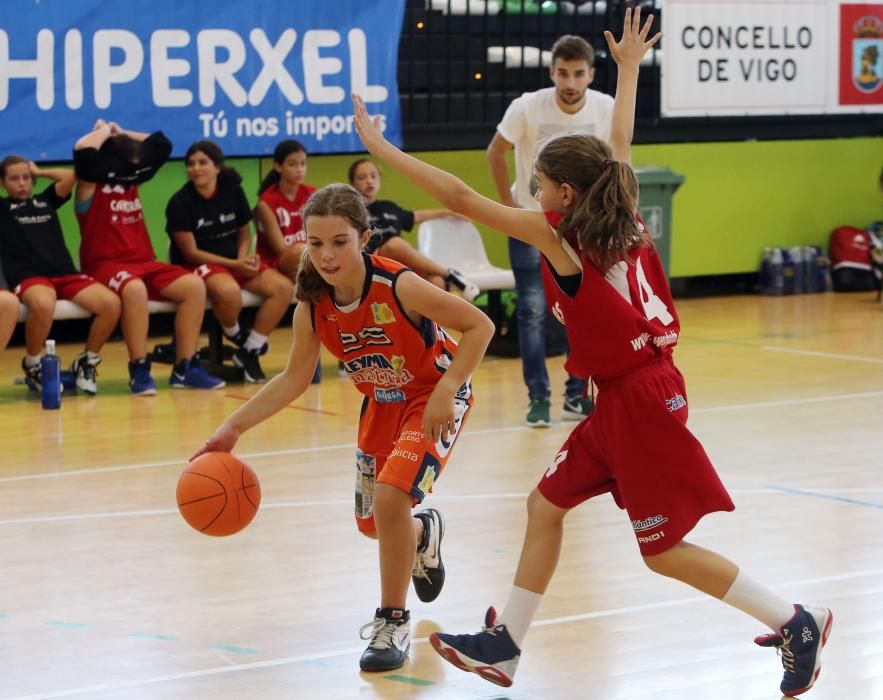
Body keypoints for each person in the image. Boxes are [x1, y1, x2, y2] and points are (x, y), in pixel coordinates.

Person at [352, 8, 832, 698]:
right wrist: (628, 69)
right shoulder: (621, 202)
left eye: (539, 186)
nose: (531, 193)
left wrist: (381, 147)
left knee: (660, 552)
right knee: (543, 505)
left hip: (638, 398)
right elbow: (619, 139)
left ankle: (794, 620)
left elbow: (458, 195)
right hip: (626, 392)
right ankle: (506, 645)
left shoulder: (562, 235)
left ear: (564, 195)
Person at [193, 183, 495, 673]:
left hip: (432, 397)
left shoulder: (400, 286)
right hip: (382, 404)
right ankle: (423, 534)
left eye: (339, 242)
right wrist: (233, 427)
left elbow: (479, 326)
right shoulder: (312, 307)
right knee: (374, 524)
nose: (326, 255)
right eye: (315, 244)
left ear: (365, 239)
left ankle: (391, 622)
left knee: (391, 498)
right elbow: (293, 379)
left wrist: (447, 387)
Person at [488, 33, 615, 427]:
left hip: (580, 226)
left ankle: (576, 396)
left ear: (591, 74)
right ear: (552, 73)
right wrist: (508, 206)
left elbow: (611, 165)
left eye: (579, 74)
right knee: (531, 310)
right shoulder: (527, 106)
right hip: (532, 221)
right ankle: (538, 398)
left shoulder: (605, 109)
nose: (571, 83)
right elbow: (496, 151)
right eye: (564, 73)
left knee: (583, 310)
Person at [73, 120, 225, 395]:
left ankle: (185, 367)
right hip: (105, 265)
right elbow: (83, 149)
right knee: (134, 289)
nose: (136, 162)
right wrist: (103, 133)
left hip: (144, 261)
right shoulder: (89, 186)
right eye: (129, 158)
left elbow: (160, 144)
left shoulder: (133, 183)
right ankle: (139, 368)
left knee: (193, 286)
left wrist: (121, 130)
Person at [166, 140, 294, 384]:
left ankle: (249, 350)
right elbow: (191, 253)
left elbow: (244, 232)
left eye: (202, 162)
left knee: (283, 288)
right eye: (191, 164)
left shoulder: (232, 190)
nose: (196, 168)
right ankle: (235, 333)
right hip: (199, 265)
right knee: (229, 291)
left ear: (217, 167)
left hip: (234, 260)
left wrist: (242, 257)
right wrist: (235, 264)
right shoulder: (179, 202)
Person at [0, 157, 121, 394]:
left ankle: (87, 360)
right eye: (14, 179)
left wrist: (39, 171)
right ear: (3, 183)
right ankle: (33, 362)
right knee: (45, 304)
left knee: (111, 304)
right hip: (30, 276)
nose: (22, 183)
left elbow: (69, 176)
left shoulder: (46, 200)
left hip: (64, 274)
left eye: (26, 178)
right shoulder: (3, 209)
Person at [348, 158, 480, 301]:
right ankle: (450, 274)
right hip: (374, 262)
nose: (369, 181)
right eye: (362, 177)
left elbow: (416, 216)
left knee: (436, 281)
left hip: (400, 263)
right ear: (353, 183)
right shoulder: (352, 211)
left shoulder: (389, 207)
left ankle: (429, 322)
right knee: (395, 245)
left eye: (373, 176)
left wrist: (449, 212)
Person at [253, 140, 315, 283]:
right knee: (301, 251)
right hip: (278, 262)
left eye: (303, 163)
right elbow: (280, 249)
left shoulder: (313, 194)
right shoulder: (266, 202)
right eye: (292, 164)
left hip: (310, 257)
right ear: (278, 166)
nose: (299, 169)